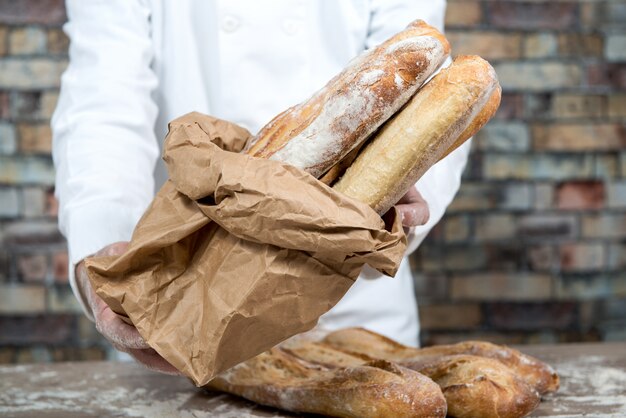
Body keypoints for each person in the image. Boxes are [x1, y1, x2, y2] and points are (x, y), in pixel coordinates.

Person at [52, 0, 470, 374]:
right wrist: (104, 246)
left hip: (353, 308)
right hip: (182, 302)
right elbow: (104, 98)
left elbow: (425, 85)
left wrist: (408, 186)